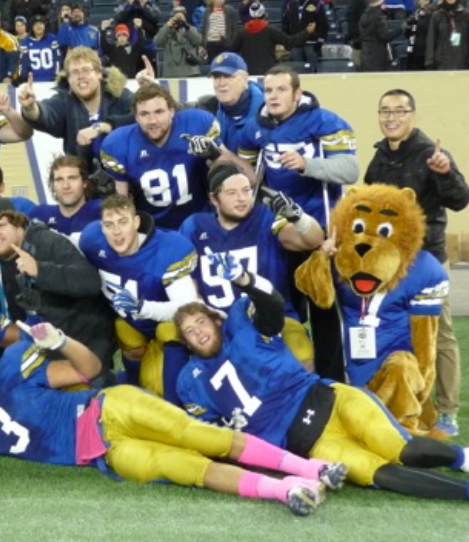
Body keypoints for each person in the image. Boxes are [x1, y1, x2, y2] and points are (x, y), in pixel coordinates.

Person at [0, 321, 341, 516]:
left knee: (200, 436)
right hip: (104, 456)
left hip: (108, 408)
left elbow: (89, 369)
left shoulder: (12, 366)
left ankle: (311, 468)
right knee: (190, 470)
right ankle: (285, 491)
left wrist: (61, 343)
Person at [174, 258, 469, 501]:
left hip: (330, 400)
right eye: (189, 331)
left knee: (401, 448)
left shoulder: (241, 323)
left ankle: (462, 458)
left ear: (216, 320)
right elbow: (214, 438)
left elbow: (273, 305)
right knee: (377, 472)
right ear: (186, 343)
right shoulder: (189, 384)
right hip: (311, 443)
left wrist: (245, 279)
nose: (198, 332)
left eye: (201, 322)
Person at [236, 65, 357, 382]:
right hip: (279, 234)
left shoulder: (324, 121)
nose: (273, 96)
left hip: (321, 233)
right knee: (286, 310)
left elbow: (350, 170)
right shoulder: (255, 127)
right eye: (269, 90)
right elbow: (245, 171)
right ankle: (290, 380)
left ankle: (333, 382)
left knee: (324, 311)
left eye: (281, 90)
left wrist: (307, 164)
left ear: (297, 93)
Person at [364, 89, 469, 436]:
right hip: (388, 267)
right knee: (392, 333)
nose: (391, 117)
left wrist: (445, 172)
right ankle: (397, 403)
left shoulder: (431, 155)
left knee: (439, 336)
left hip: (427, 263)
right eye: (385, 110)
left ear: (413, 115)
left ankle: (447, 412)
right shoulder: (379, 159)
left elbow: (460, 199)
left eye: (399, 111)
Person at [179, 162, 322, 369]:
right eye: (232, 193)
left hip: (273, 319)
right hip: (220, 324)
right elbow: (188, 282)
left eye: (246, 190)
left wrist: (297, 216)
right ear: (214, 199)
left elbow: (313, 240)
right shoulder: (194, 226)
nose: (242, 198)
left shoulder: (264, 218)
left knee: (302, 356)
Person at [0, 198, 116, 373]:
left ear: (18, 224)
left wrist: (40, 271)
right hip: (38, 351)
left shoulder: (48, 241)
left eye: (1, 225)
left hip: (83, 344)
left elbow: (90, 282)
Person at [79, 194, 198, 395]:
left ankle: (174, 404)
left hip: (166, 322)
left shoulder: (167, 248)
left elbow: (186, 309)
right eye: (109, 224)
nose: (116, 231)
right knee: (124, 330)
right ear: (102, 227)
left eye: (123, 222)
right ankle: (133, 386)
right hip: (132, 322)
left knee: (170, 333)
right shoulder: (92, 241)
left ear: (136, 222)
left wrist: (142, 308)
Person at [100, 83, 233, 230]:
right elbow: (122, 205)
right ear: (136, 117)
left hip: (202, 222)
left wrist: (215, 155)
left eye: (159, 112)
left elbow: (239, 176)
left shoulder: (197, 124)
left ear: (171, 111)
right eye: (144, 114)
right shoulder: (119, 143)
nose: (152, 120)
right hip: (153, 230)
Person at [19, 46, 134, 167]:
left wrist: (104, 126)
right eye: (74, 72)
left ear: (99, 73)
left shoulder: (120, 96)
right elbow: (45, 113)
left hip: (121, 172)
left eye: (86, 70)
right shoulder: (64, 100)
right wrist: (30, 107)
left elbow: (139, 117)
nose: (81, 76)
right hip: (80, 174)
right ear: (68, 79)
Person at [29, 155, 101, 246]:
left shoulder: (100, 211)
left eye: (72, 178)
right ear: (52, 185)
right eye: (59, 180)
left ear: (84, 182)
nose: (65, 186)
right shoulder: (40, 214)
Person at [227, 2, 314, 76]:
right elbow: (290, 42)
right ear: (264, 14)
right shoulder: (271, 30)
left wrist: (222, 40)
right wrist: (306, 32)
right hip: (269, 72)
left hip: (250, 72)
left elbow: (231, 49)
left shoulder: (242, 32)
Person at [208, 53, 263, 154]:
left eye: (228, 76)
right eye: (216, 77)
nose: (221, 83)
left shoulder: (267, 113)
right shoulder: (212, 110)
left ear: (244, 80)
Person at [154, 7, 205, 78]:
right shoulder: (166, 31)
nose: (178, 20)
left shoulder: (190, 29)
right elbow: (157, 42)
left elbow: (198, 41)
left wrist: (186, 26)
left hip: (190, 71)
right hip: (171, 72)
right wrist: (167, 26)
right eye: (176, 17)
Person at [282, 0, 327, 72]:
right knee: (296, 71)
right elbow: (285, 24)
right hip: (295, 44)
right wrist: (287, 41)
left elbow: (323, 24)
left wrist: (320, 40)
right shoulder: (290, 4)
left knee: (313, 70)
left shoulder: (317, 3)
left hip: (312, 44)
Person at [359, 0, 403, 72]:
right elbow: (386, 36)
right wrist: (401, 29)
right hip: (378, 55)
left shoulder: (363, 15)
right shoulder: (379, 17)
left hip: (366, 54)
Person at [425, 0, 469, 70]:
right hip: (441, 63)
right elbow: (431, 40)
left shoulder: (466, 15)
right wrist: (429, 61)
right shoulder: (437, 15)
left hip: (462, 62)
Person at [18, 15, 59, 82]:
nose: (38, 26)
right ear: (32, 27)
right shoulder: (25, 43)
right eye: (36, 24)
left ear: (44, 25)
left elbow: (57, 59)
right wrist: (23, 78)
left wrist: (56, 75)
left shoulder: (52, 39)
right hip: (33, 81)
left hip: (51, 80)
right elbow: (23, 63)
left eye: (40, 24)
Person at [404, 0, 435, 71]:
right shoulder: (416, 13)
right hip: (413, 50)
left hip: (425, 51)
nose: (422, 1)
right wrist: (407, 28)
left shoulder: (432, 14)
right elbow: (407, 29)